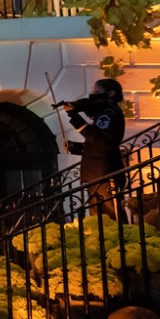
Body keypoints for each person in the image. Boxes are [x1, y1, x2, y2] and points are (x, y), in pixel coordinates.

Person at [63, 78, 127, 221]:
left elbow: (97, 137)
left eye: (97, 92)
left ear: (110, 94)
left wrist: (74, 115)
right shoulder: (103, 113)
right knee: (97, 213)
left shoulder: (109, 113)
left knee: (110, 212)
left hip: (105, 170)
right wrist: (76, 147)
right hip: (95, 171)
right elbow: (98, 144)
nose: (93, 95)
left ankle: (117, 238)